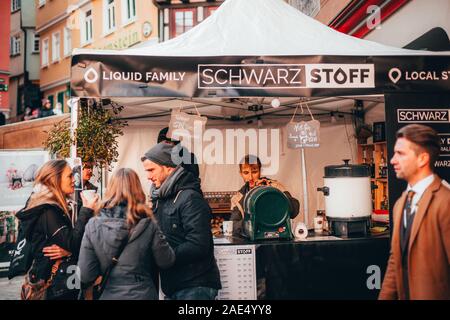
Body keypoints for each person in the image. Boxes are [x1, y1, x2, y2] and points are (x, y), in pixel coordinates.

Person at [78, 168, 175, 300]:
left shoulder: (93, 225)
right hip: (143, 293)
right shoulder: (148, 224)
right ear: (138, 190)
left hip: (109, 294)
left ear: (110, 190)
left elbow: (85, 275)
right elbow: (166, 260)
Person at [141, 142, 221, 300]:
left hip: (195, 286)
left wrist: (165, 256)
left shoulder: (190, 197)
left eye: (151, 170)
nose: (148, 176)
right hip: (174, 286)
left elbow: (199, 244)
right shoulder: (161, 199)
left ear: (169, 167)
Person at [379, 124, 450, 300]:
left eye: (401, 154)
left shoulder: (445, 202)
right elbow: (395, 261)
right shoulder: (400, 203)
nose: (392, 160)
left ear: (422, 159)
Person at [15, 160, 98, 300]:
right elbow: (71, 242)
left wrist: (68, 251)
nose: (74, 179)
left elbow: (69, 243)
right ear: (55, 179)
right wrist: (87, 209)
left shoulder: (51, 204)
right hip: (54, 281)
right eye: (69, 176)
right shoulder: (47, 209)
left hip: (62, 277)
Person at [230, 155, 300, 236]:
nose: (250, 177)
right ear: (241, 174)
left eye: (254, 172)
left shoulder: (276, 186)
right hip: (253, 239)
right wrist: (250, 221)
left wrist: (271, 192)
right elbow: (233, 226)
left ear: (260, 171)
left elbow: (294, 210)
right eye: (246, 173)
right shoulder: (237, 198)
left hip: (277, 237)